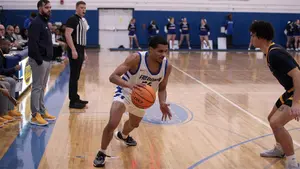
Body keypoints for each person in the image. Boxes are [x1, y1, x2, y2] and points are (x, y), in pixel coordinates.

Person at [93, 36, 172, 167]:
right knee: (113, 123)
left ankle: (123, 135)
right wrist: (129, 85)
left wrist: (162, 102)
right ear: (150, 49)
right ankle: (101, 152)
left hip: (141, 99)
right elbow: (113, 77)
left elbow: (162, 88)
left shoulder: (167, 66)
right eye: (160, 51)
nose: (163, 54)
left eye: (165, 51)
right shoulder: (136, 58)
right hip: (125, 91)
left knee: (134, 124)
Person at [249, 21, 300, 169]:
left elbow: (298, 75)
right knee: (271, 118)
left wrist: (296, 103)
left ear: (261, 37)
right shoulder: (269, 53)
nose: (251, 38)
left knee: (276, 123)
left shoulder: (275, 54)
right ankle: (280, 149)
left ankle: (292, 163)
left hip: (298, 89)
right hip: (290, 90)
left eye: (253, 35)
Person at [28, 0, 56, 126]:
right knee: (37, 87)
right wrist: (39, 59)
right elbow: (33, 43)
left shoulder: (44, 22)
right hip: (39, 60)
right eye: (47, 7)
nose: (49, 9)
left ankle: (42, 110)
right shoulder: (36, 23)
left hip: (47, 59)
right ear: (40, 8)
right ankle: (35, 115)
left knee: (42, 87)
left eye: (50, 7)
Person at [65, 1, 89, 109]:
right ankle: (72, 101)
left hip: (80, 49)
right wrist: (73, 50)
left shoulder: (82, 20)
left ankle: (76, 97)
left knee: (77, 76)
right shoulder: (72, 19)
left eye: (84, 8)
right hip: (75, 49)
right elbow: (67, 34)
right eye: (81, 8)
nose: (83, 10)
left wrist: (84, 52)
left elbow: (82, 38)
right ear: (76, 8)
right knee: (74, 76)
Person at [0, 39, 21, 119]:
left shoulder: (2, 54)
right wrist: (14, 69)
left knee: (12, 81)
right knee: (7, 84)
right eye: (8, 45)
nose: (10, 47)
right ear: (1, 45)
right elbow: (1, 71)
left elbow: (2, 69)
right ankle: (4, 113)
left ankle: (10, 109)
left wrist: (11, 74)